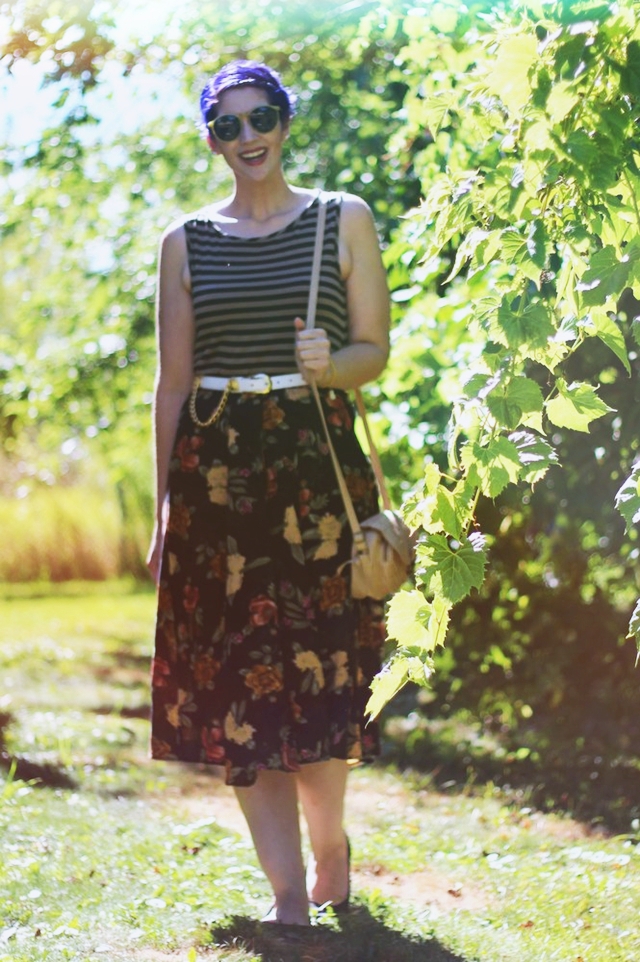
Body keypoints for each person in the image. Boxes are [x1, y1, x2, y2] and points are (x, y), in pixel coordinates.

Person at [146, 59, 390, 926]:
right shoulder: (186, 242)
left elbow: (374, 354)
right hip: (216, 482)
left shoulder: (340, 219)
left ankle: (330, 847)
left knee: (320, 675)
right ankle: (286, 891)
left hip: (313, 471)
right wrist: (163, 511)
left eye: (262, 119)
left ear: (285, 122)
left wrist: (334, 364)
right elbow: (173, 385)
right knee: (242, 688)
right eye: (228, 125)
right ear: (210, 137)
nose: (247, 138)